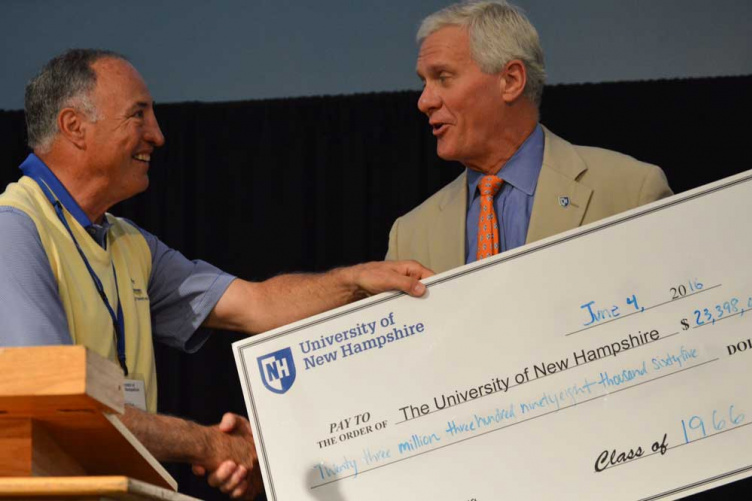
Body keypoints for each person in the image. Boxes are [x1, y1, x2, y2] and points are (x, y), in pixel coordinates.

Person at [0, 49, 432, 499]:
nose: (158, 136)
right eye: (138, 115)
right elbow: (61, 410)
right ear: (74, 127)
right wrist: (209, 444)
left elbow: (257, 305)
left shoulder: (127, 242)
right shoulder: (13, 230)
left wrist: (355, 281)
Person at [386, 0, 673, 274]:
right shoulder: (409, 235)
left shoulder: (632, 191)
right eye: (424, 82)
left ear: (510, 81)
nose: (424, 102)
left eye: (443, 78)